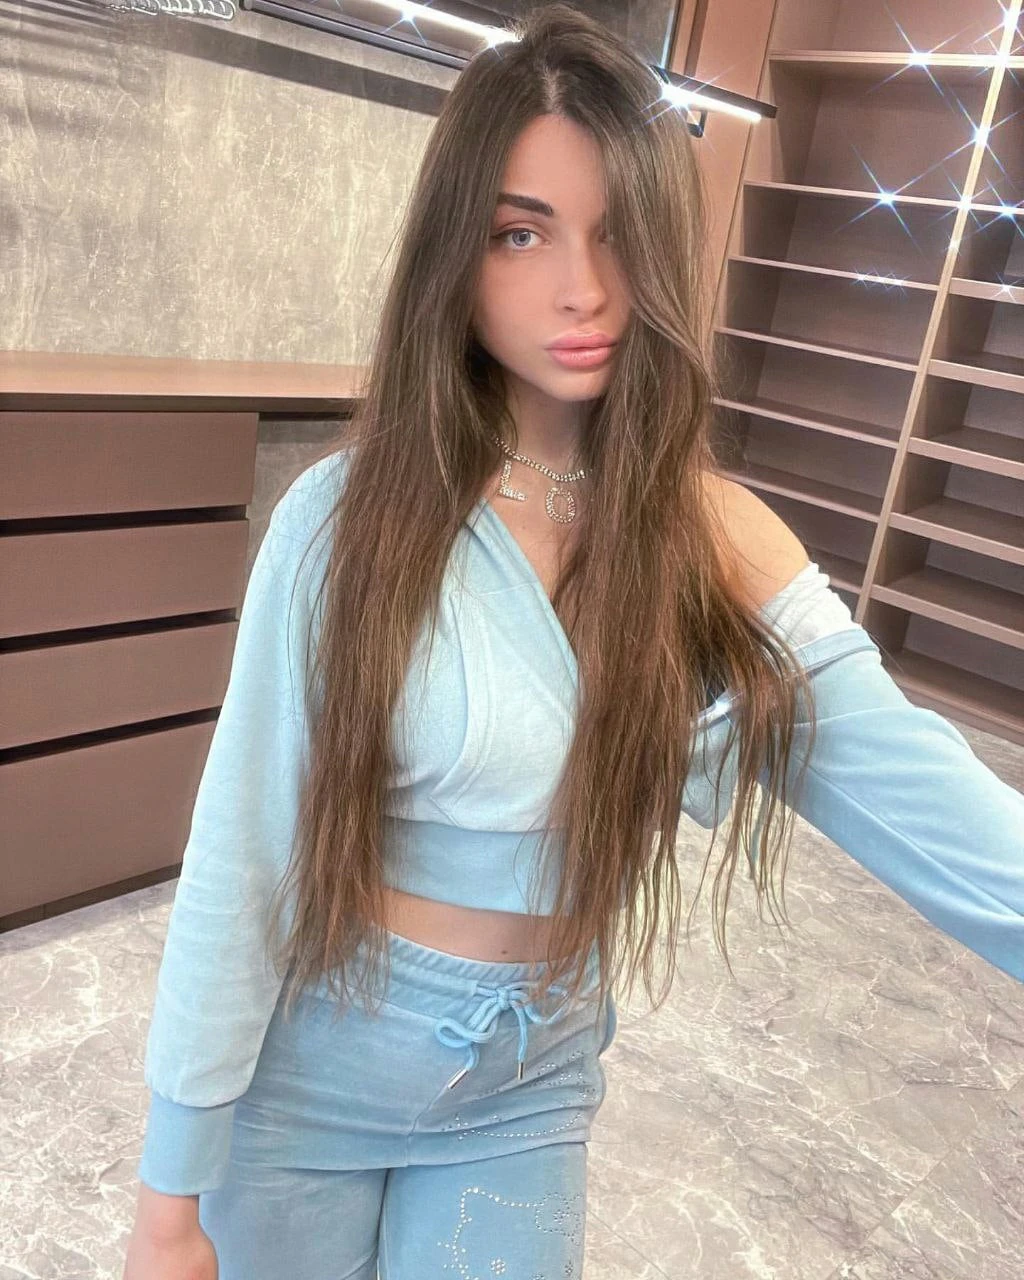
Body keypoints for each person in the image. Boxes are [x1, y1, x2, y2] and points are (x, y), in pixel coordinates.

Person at [122, 6, 1024, 1278]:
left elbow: (926, 798)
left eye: (615, 232)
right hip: (308, 1082)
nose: (583, 287)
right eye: (521, 232)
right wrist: (169, 1192)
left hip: (523, 1085)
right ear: (455, 250)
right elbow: (245, 846)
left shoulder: (708, 536)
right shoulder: (348, 517)